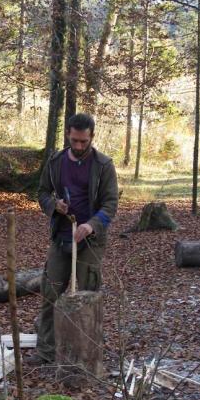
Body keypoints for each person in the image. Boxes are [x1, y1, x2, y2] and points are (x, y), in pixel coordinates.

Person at [29, 112, 119, 365]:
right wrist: (53, 204)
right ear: (68, 134)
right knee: (50, 293)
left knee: (87, 297)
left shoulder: (103, 165)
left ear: (92, 137)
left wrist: (91, 225)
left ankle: (88, 353)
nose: (79, 146)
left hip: (90, 242)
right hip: (61, 236)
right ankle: (46, 351)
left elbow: (111, 204)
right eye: (75, 141)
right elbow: (43, 192)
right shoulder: (56, 161)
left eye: (84, 142)